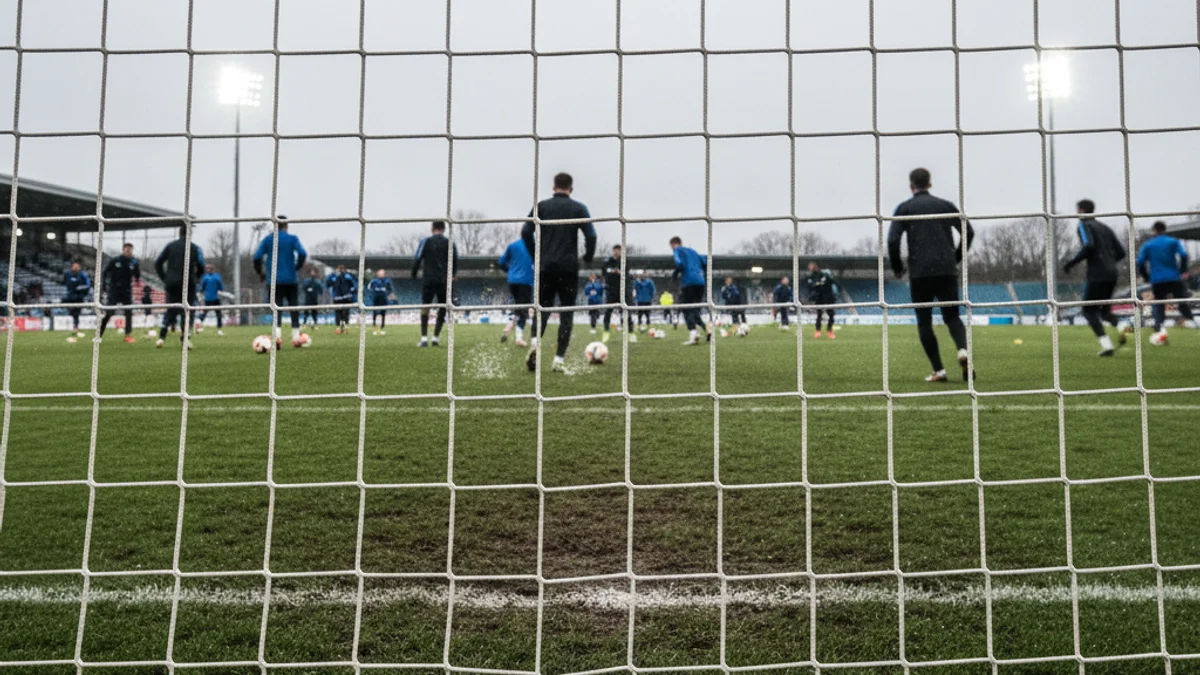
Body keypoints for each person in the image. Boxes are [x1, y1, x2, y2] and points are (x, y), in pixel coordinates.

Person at [888, 167, 975, 381]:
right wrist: (955, 257)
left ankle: (939, 370)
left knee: (924, 321)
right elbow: (969, 231)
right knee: (952, 317)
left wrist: (898, 267)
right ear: (930, 183)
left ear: (911, 186)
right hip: (946, 271)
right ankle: (962, 350)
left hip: (920, 273)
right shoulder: (945, 206)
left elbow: (892, 240)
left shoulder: (905, 208)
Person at [520, 172, 597, 372]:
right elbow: (592, 235)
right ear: (571, 189)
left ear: (554, 188)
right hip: (568, 268)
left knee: (542, 309)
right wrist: (588, 257)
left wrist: (536, 254)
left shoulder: (542, 207)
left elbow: (526, 232)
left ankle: (536, 341)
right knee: (566, 314)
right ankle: (559, 360)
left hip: (545, 266)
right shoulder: (578, 208)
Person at [1063, 199, 1128, 356]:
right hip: (1112, 274)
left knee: (1088, 311)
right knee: (1104, 311)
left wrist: (1071, 263)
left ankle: (1107, 346)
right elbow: (1121, 252)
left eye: (1077, 210)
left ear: (1082, 210)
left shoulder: (1084, 225)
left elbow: (1089, 245)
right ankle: (1122, 326)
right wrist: (1109, 263)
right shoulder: (1105, 227)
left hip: (1097, 274)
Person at [1136, 220, 1197, 340]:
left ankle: (1159, 327)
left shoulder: (1149, 245)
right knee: (1181, 301)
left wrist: (1146, 276)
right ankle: (1194, 323)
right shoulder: (1172, 242)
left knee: (1159, 303)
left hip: (1158, 279)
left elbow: (1140, 262)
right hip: (1174, 277)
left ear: (1154, 230)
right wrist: (1182, 270)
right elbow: (1184, 255)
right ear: (1165, 230)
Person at [253, 216, 308, 348]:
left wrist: (260, 272)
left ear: (275, 225)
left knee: (276, 307)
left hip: (273, 280)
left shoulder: (268, 239)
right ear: (286, 225)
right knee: (294, 307)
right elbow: (302, 253)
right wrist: (296, 267)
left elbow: (257, 257)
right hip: (290, 279)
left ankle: (277, 337)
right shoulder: (292, 239)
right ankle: (296, 337)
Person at [153, 225, 205, 349]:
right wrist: (196, 277)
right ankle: (185, 338)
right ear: (190, 234)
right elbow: (202, 265)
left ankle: (161, 337)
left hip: (171, 283)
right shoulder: (194, 248)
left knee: (170, 308)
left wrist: (165, 278)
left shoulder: (170, 246)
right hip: (188, 283)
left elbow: (157, 263)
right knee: (187, 311)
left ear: (179, 233)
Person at [412, 220, 459, 347]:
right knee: (442, 308)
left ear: (432, 228)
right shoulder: (449, 243)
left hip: (429, 279)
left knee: (425, 307)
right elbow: (455, 259)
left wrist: (414, 273)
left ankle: (423, 338)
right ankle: (435, 338)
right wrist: (453, 275)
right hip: (443, 281)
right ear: (443, 229)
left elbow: (418, 257)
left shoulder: (426, 241)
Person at [670, 236, 709, 345]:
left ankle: (694, 333)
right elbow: (705, 262)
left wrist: (675, 274)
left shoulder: (677, 250)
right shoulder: (693, 251)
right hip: (700, 282)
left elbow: (679, 263)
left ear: (673, 244)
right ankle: (707, 328)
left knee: (686, 308)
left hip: (689, 282)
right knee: (695, 309)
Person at [98, 243, 140, 343]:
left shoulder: (134, 262)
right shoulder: (115, 260)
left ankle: (128, 335)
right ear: (123, 249)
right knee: (109, 312)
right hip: (114, 290)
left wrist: (137, 280)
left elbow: (137, 276)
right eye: (126, 249)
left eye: (130, 249)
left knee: (129, 312)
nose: (128, 251)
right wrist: (104, 285)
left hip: (127, 291)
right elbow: (105, 272)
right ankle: (99, 334)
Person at [498, 238, 534, 346]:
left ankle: (508, 326)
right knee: (523, 309)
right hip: (526, 280)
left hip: (512, 281)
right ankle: (518, 337)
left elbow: (501, 263)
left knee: (518, 306)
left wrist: (510, 271)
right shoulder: (534, 245)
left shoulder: (513, 245)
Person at [601, 244, 635, 342]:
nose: (616, 252)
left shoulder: (625, 261)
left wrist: (620, 273)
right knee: (608, 312)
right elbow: (604, 273)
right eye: (615, 250)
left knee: (625, 312)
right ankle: (606, 332)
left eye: (618, 250)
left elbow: (627, 275)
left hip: (622, 291)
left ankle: (631, 333)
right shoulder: (607, 262)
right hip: (611, 291)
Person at [805, 262, 839, 339]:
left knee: (831, 314)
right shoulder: (811, 277)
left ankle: (829, 330)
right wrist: (817, 285)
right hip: (819, 297)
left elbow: (832, 282)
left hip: (829, 297)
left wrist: (828, 279)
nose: (810, 268)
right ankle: (818, 330)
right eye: (809, 267)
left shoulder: (824, 275)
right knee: (819, 314)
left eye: (811, 266)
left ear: (816, 267)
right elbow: (811, 286)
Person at [62, 260, 91, 338]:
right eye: (74, 266)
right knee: (72, 312)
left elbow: (88, 285)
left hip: (79, 298)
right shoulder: (68, 274)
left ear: (79, 267)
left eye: (77, 266)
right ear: (72, 267)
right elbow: (64, 282)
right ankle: (74, 327)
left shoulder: (83, 275)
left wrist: (79, 288)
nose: (75, 267)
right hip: (70, 298)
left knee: (76, 313)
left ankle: (75, 328)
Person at [197, 264, 225, 336]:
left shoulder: (206, 277)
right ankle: (219, 329)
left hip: (210, 298)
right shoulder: (216, 277)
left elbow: (201, 287)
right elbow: (221, 287)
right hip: (213, 298)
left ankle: (219, 329)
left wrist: (200, 292)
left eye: (208, 268)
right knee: (217, 314)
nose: (207, 269)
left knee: (215, 314)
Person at [327, 265, 357, 333]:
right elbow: (328, 284)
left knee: (345, 312)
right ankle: (338, 327)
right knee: (338, 313)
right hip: (337, 298)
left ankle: (345, 326)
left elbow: (354, 285)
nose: (341, 270)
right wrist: (332, 275)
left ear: (344, 269)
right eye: (339, 269)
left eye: (342, 269)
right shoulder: (334, 276)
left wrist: (351, 292)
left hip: (346, 297)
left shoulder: (348, 276)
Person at [368, 268, 394, 335]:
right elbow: (369, 288)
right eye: (379, 273)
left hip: (384, 299)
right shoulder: (374, 281)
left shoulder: (387, 281)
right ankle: (374, 325)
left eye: (382, 273)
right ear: (377, 274)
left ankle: (382, 326)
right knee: (375, 312)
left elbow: (390, 289)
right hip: (376, 299)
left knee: (383, 312)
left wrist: (390, 295)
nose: (381, 274)